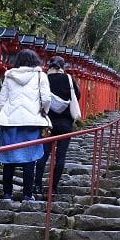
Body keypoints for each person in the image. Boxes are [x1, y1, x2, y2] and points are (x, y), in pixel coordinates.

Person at [0, 48, 51, 202]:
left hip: (10, 122)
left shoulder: (9, 76)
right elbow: (46, 99)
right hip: (32, 122)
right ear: (35, 61)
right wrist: (43, 111)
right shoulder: (40, 76)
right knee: (30, 158)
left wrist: (8, 114)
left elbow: (1, 101)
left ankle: (7, 194)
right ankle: (27, 195)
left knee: (9, 158)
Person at [34, 55, 81, 196]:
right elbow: (77, 96)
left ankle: (37, 185)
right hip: (65, 122)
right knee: (61, 156)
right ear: (63, 66)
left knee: (43, 154)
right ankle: (53, 187)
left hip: (47, 122)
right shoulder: (68, 78)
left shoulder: (44, 79)